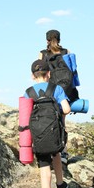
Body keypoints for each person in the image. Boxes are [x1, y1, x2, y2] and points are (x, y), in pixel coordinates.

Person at [24, 59, 71, 188]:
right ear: (49, 74)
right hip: (55, 136)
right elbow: (66, 109)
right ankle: (60, 185)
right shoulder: (56, 89)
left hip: (39, 139)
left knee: (45, 176)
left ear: (32, 76)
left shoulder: (28, 92)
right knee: (56, 152)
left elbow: (24, 118)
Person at [38, 29, 74, 164]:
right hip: (64, 91)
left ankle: (49, 150)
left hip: (49, 91)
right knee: (62, 122)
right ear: (59, 39)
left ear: (47, 40)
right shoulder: (67, 52)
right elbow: (74, 72)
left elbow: (39, 74)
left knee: (47, 120)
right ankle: (62, 153)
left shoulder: (43, 54)